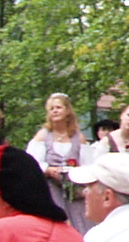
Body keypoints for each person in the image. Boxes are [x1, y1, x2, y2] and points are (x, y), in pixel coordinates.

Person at [28, 93, 89, 230]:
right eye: (52, 108)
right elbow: (32, 161)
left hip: (74, 193)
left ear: (67, 111)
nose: (55, 111)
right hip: (51, 190)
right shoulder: (43, 135)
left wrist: (76, 173)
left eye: (58, 107)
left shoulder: (78, 137)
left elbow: (88, 165)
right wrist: (48, 170)